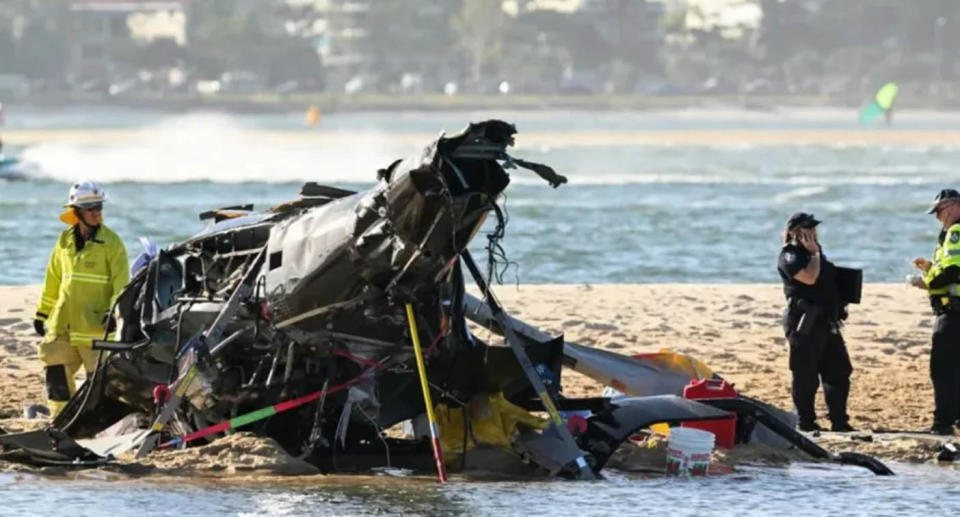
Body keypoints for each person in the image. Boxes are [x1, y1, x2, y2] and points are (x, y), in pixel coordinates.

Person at [33, 180, 128, 417]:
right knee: (56, 375)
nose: (97, 212)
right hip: (62, 324)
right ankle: (60, 421)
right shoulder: (64, 241)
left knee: (100, 382)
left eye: (99, 207)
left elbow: (122, 284)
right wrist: (42, 312)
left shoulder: (112, 243)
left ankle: (96, 423)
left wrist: (115, 313)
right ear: (76, 212)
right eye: (91, 208)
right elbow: (53, 280)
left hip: (95, 327)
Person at [777, 212, 855, 432]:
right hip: (804, 322)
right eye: (806, 229)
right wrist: (813, 254)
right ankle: (806, 421)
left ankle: (839, 421)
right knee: (806, 374)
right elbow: (809, 278)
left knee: (839, 371)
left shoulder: (818, 254)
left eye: (813, 229)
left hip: (827, 321)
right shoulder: (790, 256)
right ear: (794, 232)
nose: (811, 233)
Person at [910, 188, 960, 435]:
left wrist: (926, 282)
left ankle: (943, 424)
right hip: (952, 308)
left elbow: (952, 272)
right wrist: (930, 267)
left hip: (953, 312)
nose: (937, 217)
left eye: (939, 211)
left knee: (942, 369)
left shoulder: (955, 233)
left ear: (952, 207)